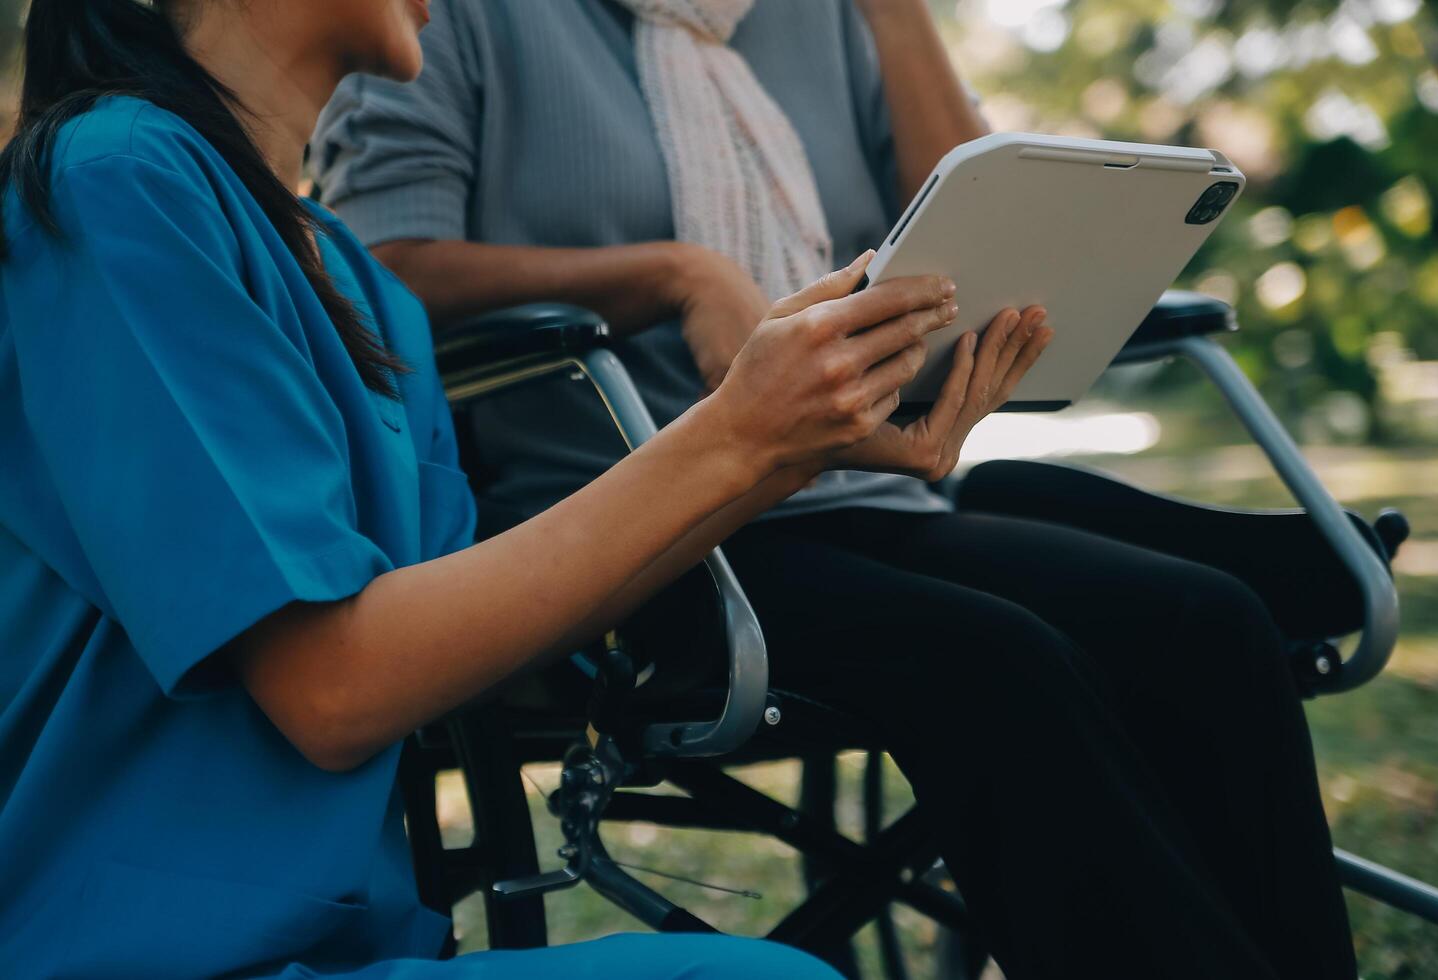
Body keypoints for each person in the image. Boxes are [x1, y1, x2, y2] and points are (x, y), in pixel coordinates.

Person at [0, 0, 1051, 977]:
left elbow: (457, 635)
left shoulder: (357, 283)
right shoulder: (114, 179)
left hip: (348, 939)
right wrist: (736, 433)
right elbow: (335, 686)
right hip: (125, 948)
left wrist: (795, 445)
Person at [311, 1, 1360, 977]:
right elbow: (384, 270)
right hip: (641, 523)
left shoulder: (822, 17)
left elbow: (997, 216)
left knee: (1208, 619)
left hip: (867, 488)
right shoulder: (445, 16)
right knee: (994, 659)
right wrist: (676, 272)